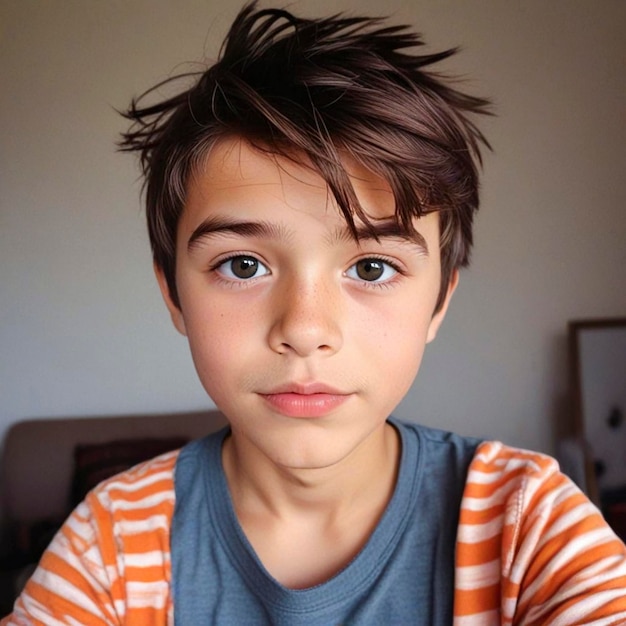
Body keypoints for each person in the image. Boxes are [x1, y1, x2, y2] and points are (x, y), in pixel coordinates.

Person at [4, 2, 626, 624]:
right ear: (173, 294)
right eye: (243, 266)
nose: (305, 330)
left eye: (372, 268)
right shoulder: (109, 542)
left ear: (439, 302)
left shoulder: (527, 523)